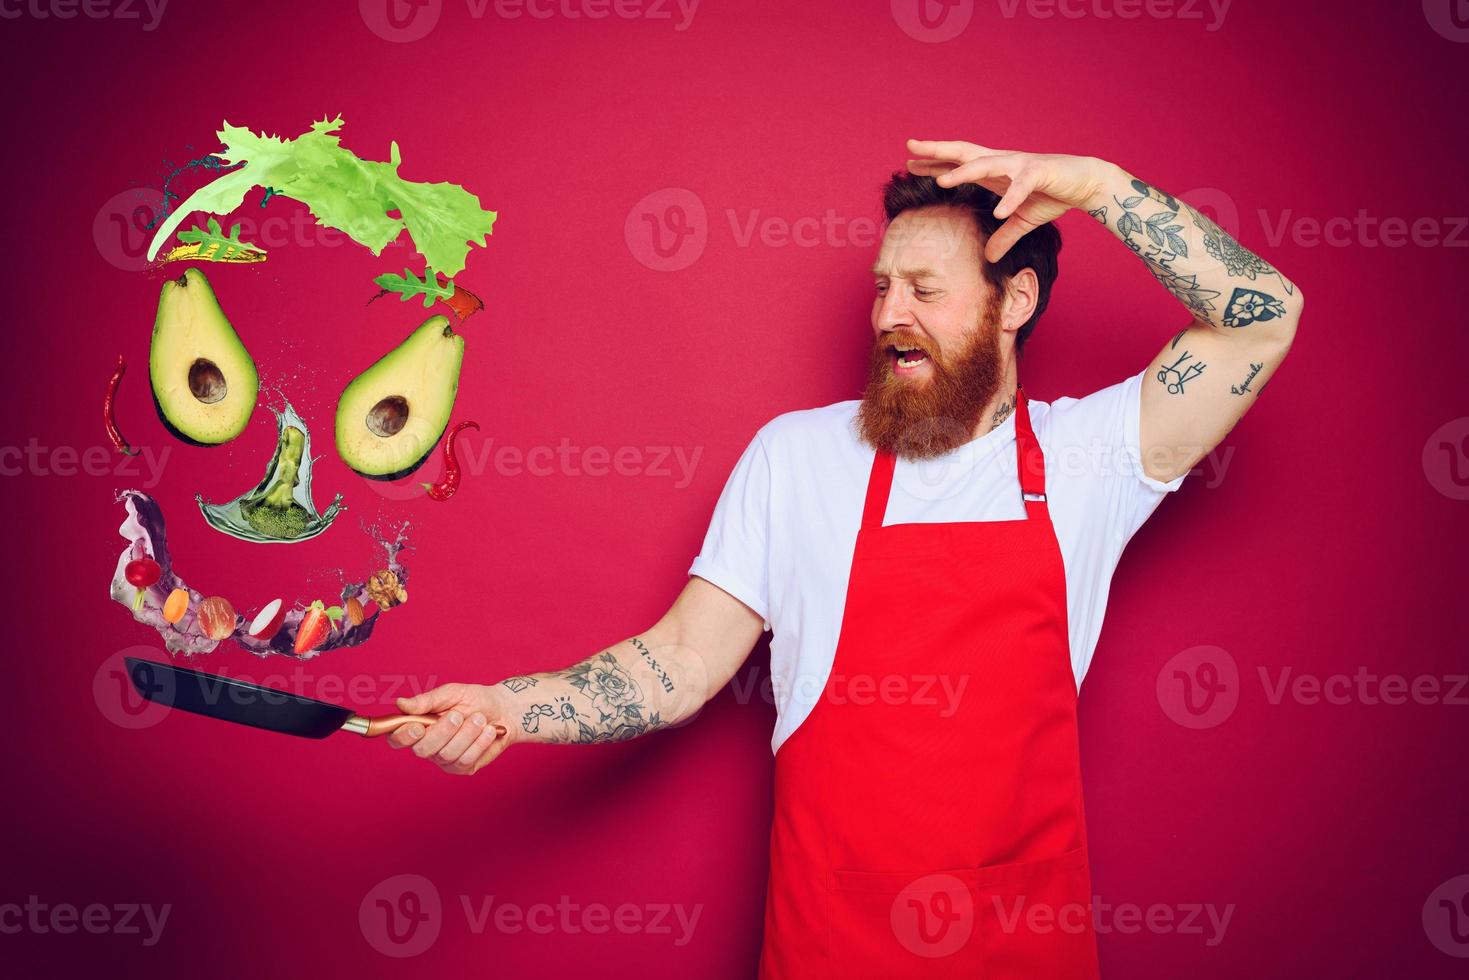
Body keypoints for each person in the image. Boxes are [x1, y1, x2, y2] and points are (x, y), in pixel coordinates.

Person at [384, 139, 1302, 977]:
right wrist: (508, 710)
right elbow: (681, 662)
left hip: (1023, 946)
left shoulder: (1089, 459)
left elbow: (1263, 317)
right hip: (832, 943)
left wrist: (1097, 188)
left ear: (1013, 299)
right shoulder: (797, 455)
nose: (889, 315)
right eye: (881, 286)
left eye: (924, 290)